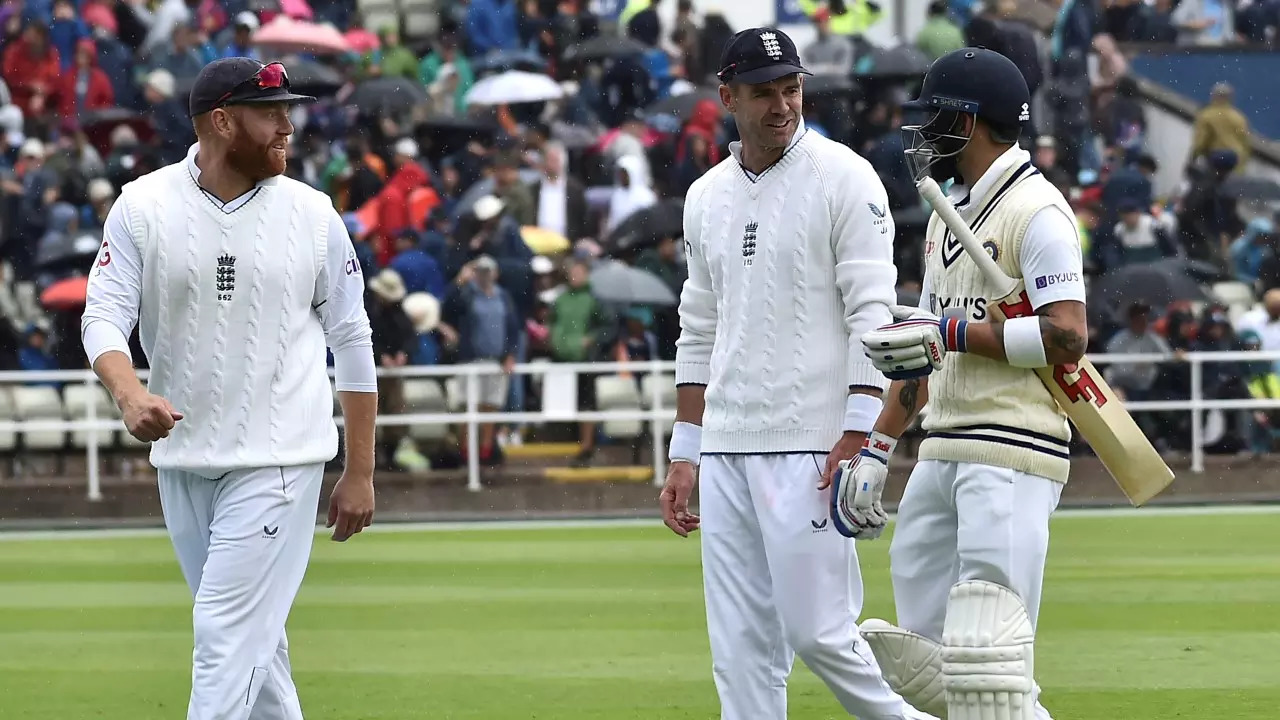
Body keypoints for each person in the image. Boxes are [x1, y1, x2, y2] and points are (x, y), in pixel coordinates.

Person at [79, 58, 378, 719]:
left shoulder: (314, 214)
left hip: (278, 458)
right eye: (271, 113)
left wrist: (360, 470)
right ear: (221, 120)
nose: (287, 127)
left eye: (288, 112)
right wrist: (129, 394)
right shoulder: (142, 206)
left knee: (222, 632)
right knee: (256, 654)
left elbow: (353, 343)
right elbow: (103, 315)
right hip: (184, 462)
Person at [659, 27, 936, 720]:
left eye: (791, 88)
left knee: (822, 634)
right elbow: (698, 327)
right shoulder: (704, 196)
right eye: (762, 93)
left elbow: (874, 314)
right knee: (741, 652)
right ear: (727, 96)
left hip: (813, 444)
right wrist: (684, 452)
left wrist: (858, 432)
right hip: (725, 447)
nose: (781, 106)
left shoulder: (844, 176)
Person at [832, 48, 1088, 720]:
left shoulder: (1038, 211)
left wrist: (953, 335)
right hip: (941, 445)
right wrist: (879, 445)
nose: (922, 134)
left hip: (1009, 447)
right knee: (929, 664)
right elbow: (925, 344)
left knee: (990, 667)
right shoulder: (953, 212)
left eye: (935, 118)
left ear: (968, 123)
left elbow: (1067, 336)